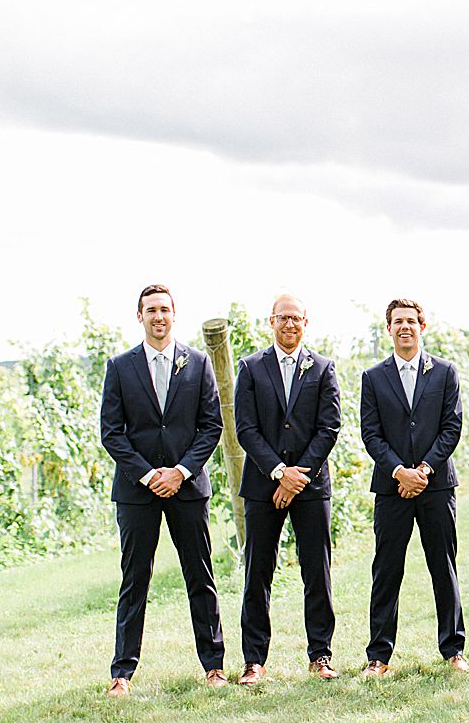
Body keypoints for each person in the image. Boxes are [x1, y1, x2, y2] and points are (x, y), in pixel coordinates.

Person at [99, 284, 225, 696]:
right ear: (140, 317)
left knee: (200, 576)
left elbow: (211, 426)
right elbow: (112, 433)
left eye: (165, 310)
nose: (158, 317)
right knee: (135, 579)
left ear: (174, 315)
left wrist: (181, 472)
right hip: (137, 491)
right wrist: (149, 474)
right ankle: (122, 672)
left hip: (187, 489)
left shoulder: (199, 363)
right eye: (151, 310)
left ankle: (214, 665)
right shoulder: (120, 367)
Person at [234, 294, 342, 684]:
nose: (290, 324)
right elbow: (246, 428)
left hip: (311, 487)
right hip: (264, 485)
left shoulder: (324, 368)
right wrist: (280, 473)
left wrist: (299, 476)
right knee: (258, 572)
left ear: (306, 322)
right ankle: (254, 661)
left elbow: (328, 427)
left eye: (296, 318)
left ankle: (321, 655)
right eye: (283, 318)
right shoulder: (250, 367)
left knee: (317, 571)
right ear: (271, 322)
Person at [359, 299, 468, 676]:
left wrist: (422, 469)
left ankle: (454, 649)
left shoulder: (445, 372)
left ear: (423, 326)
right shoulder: (373, 377)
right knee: (387, 569)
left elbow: (451, 427)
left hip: (435, 485)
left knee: (444, 565)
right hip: (392, 488)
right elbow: (370, 434)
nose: (404, 327)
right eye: (397, 322)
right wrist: (398, 472)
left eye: (411, 321)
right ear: (388, 328)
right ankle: (379, 655)